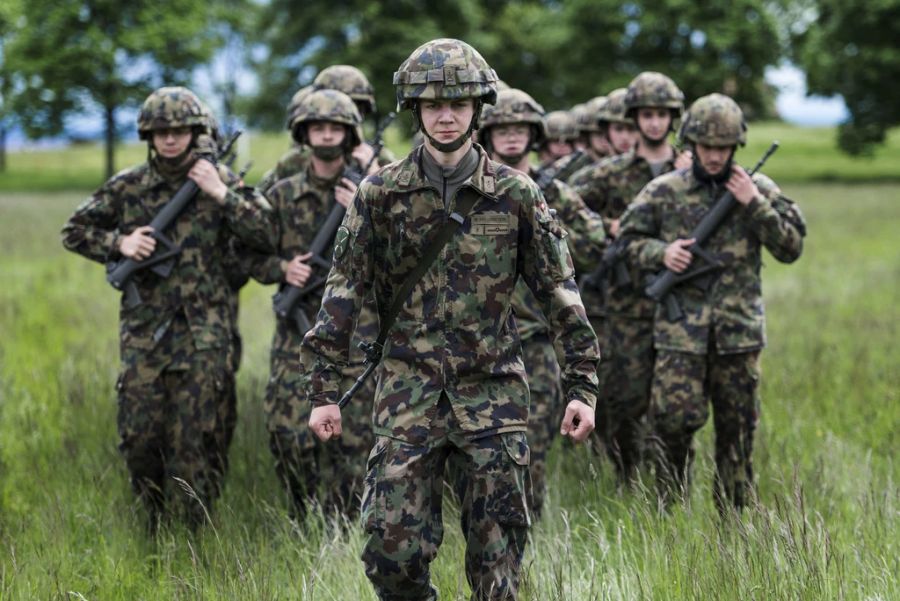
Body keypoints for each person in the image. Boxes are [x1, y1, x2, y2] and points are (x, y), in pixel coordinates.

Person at [300, 39, 599, 600]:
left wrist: (582, 385)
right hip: (407, 394)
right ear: (415, 109)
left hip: (492, 396)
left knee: (497, 570)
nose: (445, 115)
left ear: (478, 110)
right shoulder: (380, 194)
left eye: (457, 104)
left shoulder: (515, 195)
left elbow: (560, 293)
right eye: (432, 104)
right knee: (390, 554)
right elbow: (341, 293)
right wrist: (323, 391)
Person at [60, 87, 275, 529]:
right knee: (140, 436)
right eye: (161, 132)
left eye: (179, 131)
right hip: (145, 334)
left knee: (200, 437)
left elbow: (267, 233)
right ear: (148, 136)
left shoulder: (219, 180)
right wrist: (119, 242)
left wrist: (221, 194)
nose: (171, 139)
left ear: (195, 133)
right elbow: (74, 230)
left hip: (206, 335)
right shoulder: (129, 186)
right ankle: (152, 522)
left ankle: (196, 530)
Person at [619, 93, 806, 511]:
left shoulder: (757, 190)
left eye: (724, 148)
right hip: (680, 335)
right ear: (690, 144)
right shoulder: (664, 191)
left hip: (737, 336)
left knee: (738, 434)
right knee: (671, 425)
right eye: (708, 147)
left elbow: (791, 247)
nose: (716, 156)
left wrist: (754, 205)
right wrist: (661, 254)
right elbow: (626, 243)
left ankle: (734, 526)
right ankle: (669, 515)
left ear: (736, 146)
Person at [477, 87, 607, 516]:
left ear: (533, 134)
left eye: (520, 130)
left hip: (535, 337)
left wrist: (548, 225)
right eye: (503, 130)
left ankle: (525, 523)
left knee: (531, 439)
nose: (512, 139)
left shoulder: (554, 192)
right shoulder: (473, 192)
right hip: (482, 337)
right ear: (488, 134)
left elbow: (593, 246)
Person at [251, 88, 375, 518]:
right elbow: (244, 252)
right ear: (304, 133)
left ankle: (343, 524)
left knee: (355, 436)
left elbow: (401, 253)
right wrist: (281, 269)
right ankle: (301, 513)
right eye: (318, 128)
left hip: (357, 333)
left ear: (349, 134)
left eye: (335, 128)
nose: (326, 136)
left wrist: (361, 205)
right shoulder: (281, 194)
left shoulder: (372, 191)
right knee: (286, 432)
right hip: (296, 332)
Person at [569, 71, 688, 484]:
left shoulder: (689, 170)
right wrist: (607, 226)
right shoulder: (612, 172)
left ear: (673, 118)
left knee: (677, 401)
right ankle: (625, 476)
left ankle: (671, 482)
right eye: (645, 115)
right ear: (633, 118)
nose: (654, 123)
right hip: (625, 302)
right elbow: (562, 204)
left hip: (683, 301)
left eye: (662, 115)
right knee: (625, 396)